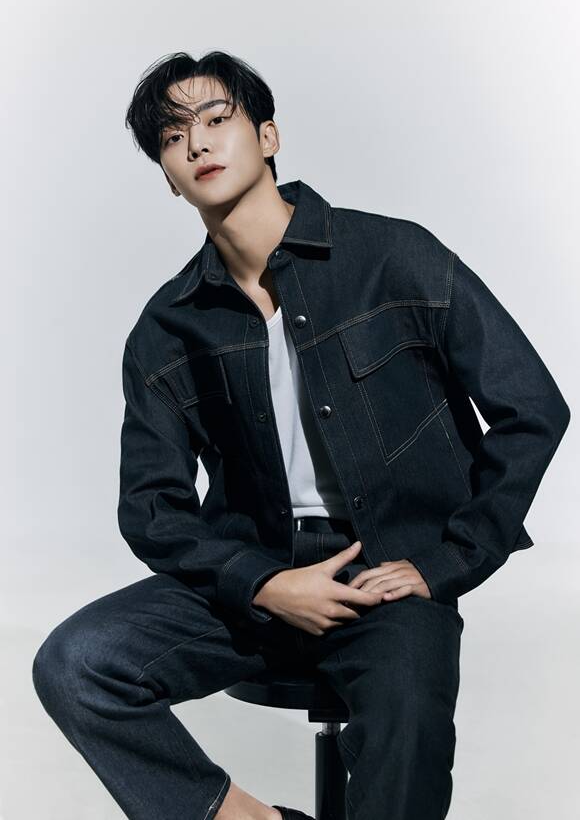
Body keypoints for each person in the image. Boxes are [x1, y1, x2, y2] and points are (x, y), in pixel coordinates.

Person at [31, 50, 571, 820]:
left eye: (217, 119)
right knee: (76, 664)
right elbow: (151, 508)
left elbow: (532, 408)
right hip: (251, 577)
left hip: (385, 580)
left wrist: (447, 560)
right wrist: (260, 582)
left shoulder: (393, 257)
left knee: (406, 742)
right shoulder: (167, 326)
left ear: (268, 135)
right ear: (168, 176)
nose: (197, 142)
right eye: (173, 137)